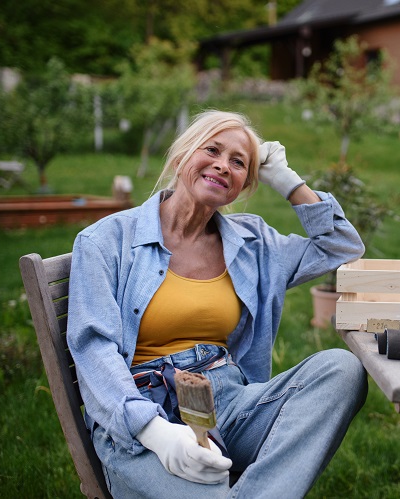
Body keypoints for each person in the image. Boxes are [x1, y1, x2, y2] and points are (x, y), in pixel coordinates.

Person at [67, 110, 368, 498]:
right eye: (212, 150)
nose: (223, 166)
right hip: (142, 411)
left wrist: (288, 181)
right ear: (180, 158)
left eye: (239, 162)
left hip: (229, 402)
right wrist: (153, 431)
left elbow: (341, 246)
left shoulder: (253, 243)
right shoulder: (107, 240)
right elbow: (94, 348)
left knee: (342, 369)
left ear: (243, 185)